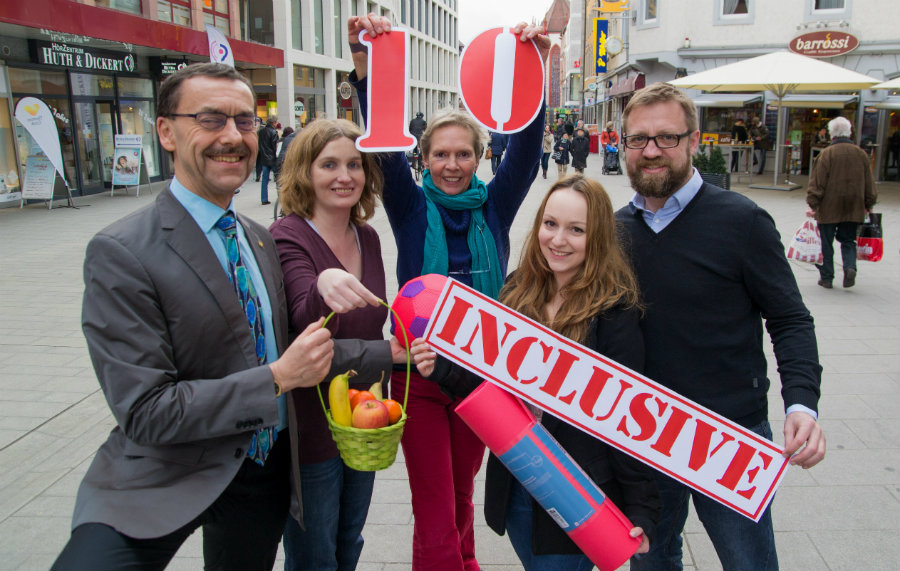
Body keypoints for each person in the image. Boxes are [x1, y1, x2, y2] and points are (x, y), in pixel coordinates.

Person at [50, 62, 356, 571]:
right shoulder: (121, 251)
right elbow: (146, 410)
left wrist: (393, 353)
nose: (232, 137)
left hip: (261, 472)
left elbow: (296, 353)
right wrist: (277, 378)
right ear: (166, 132)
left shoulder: (259, 239)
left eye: (244, 120)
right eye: (210, 120)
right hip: (163, 473)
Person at [346, 13, 549, 571]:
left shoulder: (495, 205)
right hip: (422, 374)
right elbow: (384, 145)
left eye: (464, 153)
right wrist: (368, 67)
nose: (453, 164)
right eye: (440, 154)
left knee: (461, 493)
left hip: (483, 377)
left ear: (481, 156)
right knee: (434, 504)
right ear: (424, 159)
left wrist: (536, 65)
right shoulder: (411, 209)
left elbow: (528, 150)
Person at [616, 82, 826, 571]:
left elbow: (791, 317)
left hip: (729, 432)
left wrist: (802, 402)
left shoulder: (743, 221)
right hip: (642, 431)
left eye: (666, 138)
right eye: (638, 139)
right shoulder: (613, 228)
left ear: (693, 142)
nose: (651, 151)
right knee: (653, 560)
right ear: (622, 145)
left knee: (748, 561)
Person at [410, 174, 661, 571]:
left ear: (595, 239)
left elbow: (628, 421)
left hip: (578, 495)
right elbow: (489, 388)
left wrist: (642, 509)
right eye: (550, 224)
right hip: (516, 486)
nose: (558, 240)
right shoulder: (517, 289)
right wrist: (441, 369)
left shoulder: (615, 312)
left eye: (576, 230)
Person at [270, 119, 406, 571]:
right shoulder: (288, 235)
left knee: (349, 543)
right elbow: (306, 328)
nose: (344, 175)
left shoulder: (366, 236)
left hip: (363, 422)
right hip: (311, 428)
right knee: (314, 558)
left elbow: (369, 327)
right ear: (305, 172)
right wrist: (323, 282)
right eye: (328, 164)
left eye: (354, 164)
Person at [806, 115, 877, 290]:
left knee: (826, 242)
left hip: (829, 206)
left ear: (832, 134)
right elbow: (869, 182)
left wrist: (813, 203)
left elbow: (818, 182)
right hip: (854, 206)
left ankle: (827, 277)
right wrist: (869, 202)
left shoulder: (826, 154)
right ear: (849, 132)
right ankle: (850, 267)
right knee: (848, 240)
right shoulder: (861, 154)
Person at [259, 116, 280, 205]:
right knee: (278, 178)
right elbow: (275, 146)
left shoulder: (261, 132)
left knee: (265, 179)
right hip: (272, 158)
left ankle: (264, 198)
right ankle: (280, 197)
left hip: (264, 157)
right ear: (274, 123)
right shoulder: (273, 132)